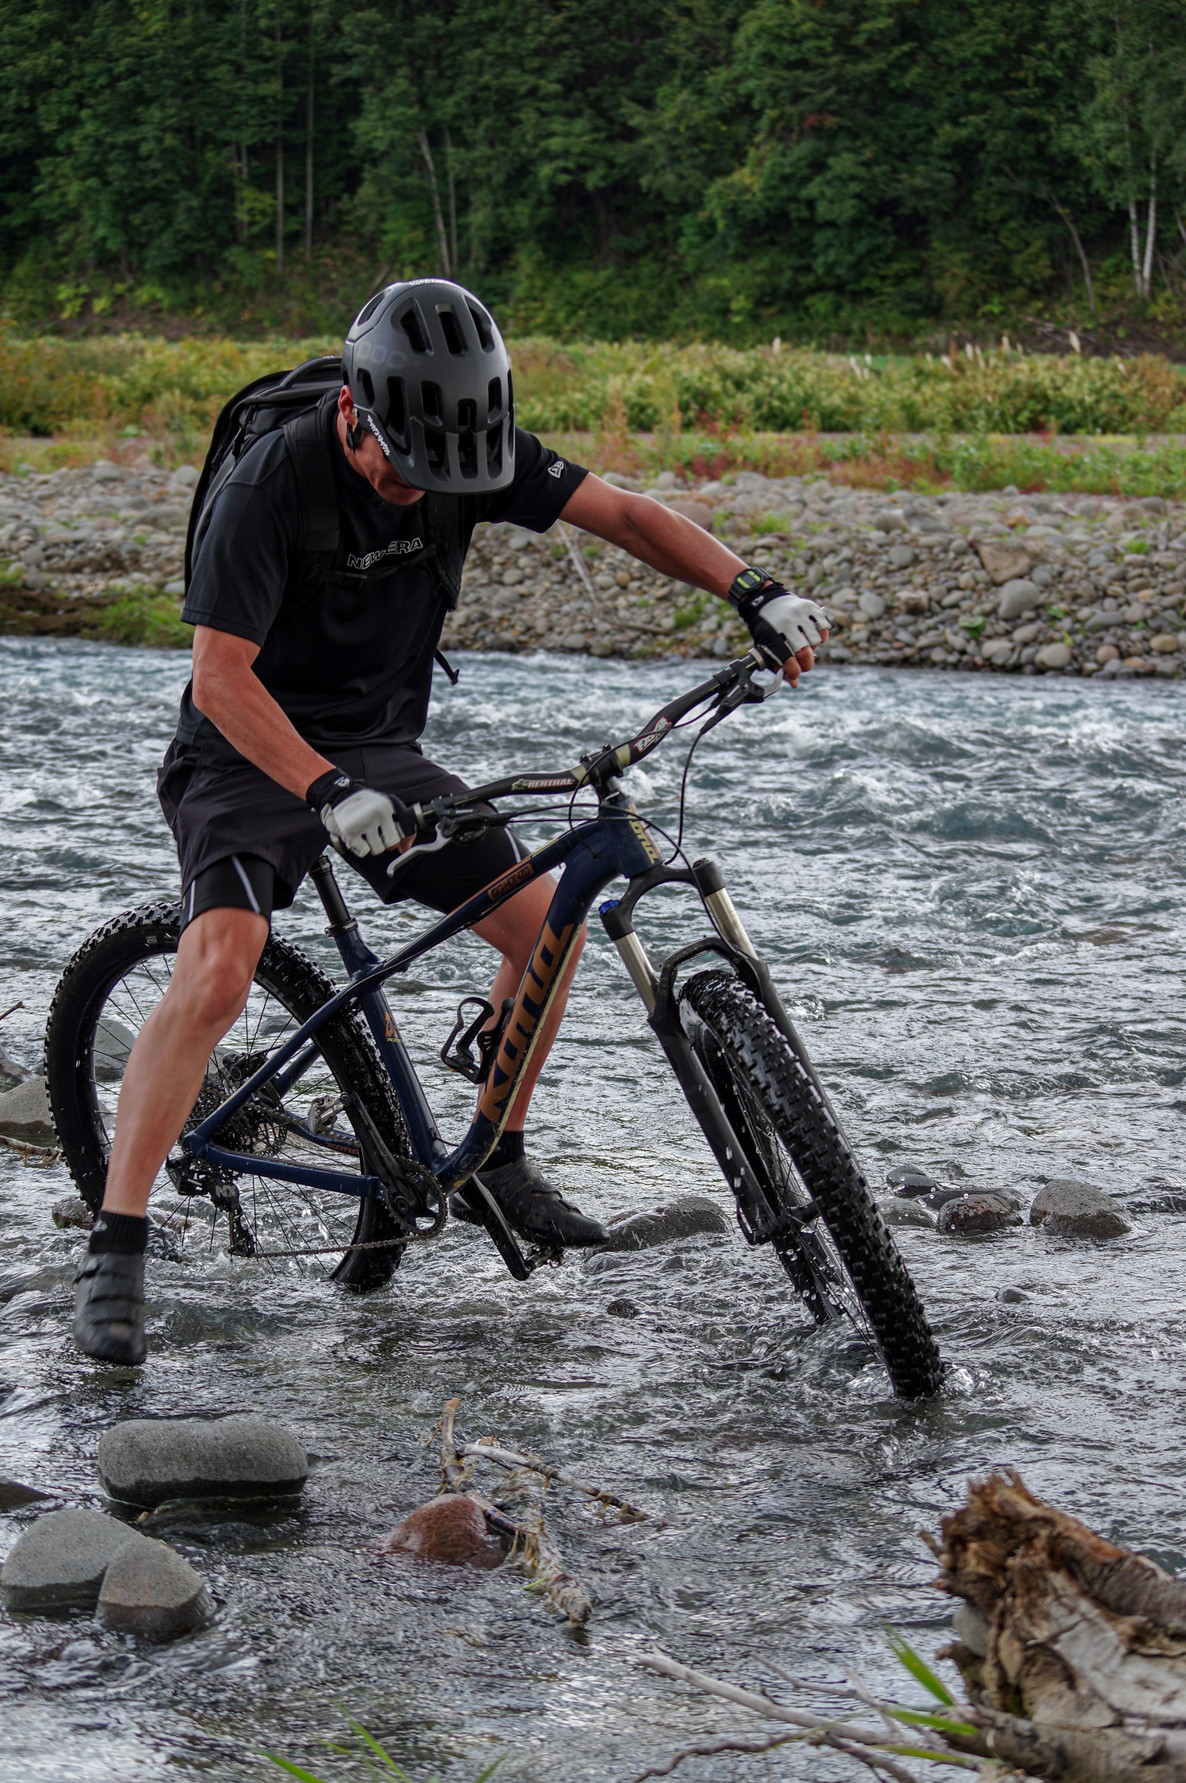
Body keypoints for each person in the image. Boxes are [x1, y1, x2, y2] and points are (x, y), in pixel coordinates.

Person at [71, 277, 828, 1367]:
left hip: (380, 744)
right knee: (222, 968)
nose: (422, 489)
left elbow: (625, 514)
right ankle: (120, 1234)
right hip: (245, 749)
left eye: (444, 475)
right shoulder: (271, 480)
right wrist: (324, 791)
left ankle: (498, 1157)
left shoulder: (468, 446)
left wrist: (747, 587)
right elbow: (219, 678)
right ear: (355, 415)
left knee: (540, 926)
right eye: (403, 467)